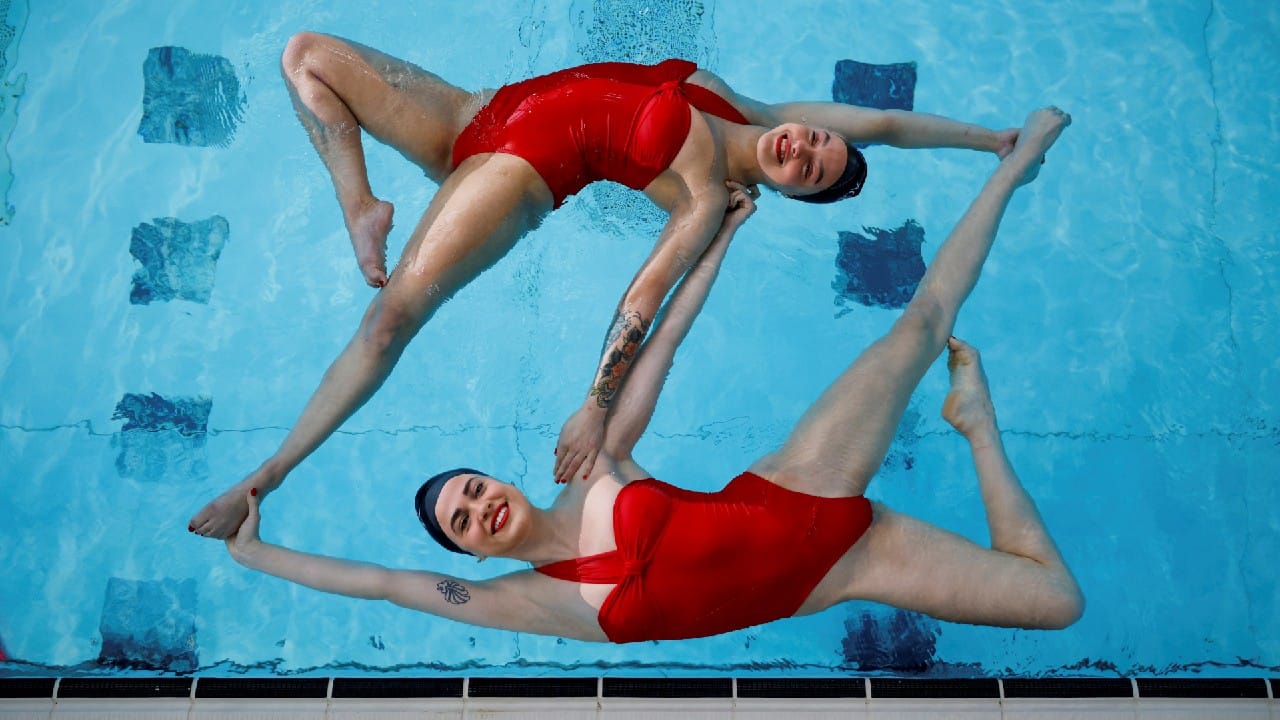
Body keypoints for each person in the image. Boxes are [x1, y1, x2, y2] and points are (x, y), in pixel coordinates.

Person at [222, 107, 1083, 643]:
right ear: (467, 552)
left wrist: (720, 241)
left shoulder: (589, 467)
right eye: (466, 520)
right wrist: (257, 555)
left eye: (474, 488)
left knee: (921, 327)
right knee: (1057, 603)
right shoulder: (522, 603)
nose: (482, 505)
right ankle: (977, 426)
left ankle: (1015, 164)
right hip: (847, 568)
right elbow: (378, 584)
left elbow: (663, 346)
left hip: (798, 487)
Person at [190, 31, 1021, 538]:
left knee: (388, 322)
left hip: (515, 172)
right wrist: (991, 140)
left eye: (809, 172)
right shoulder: (746, 106)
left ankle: (269, 472)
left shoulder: (699, 201)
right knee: (306, 58)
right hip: (476, 112)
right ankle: (361, 205)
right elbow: (881, 124)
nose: (803, 150)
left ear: (788, 191)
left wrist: (595, 404)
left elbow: (639, 305)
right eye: (816, 143)